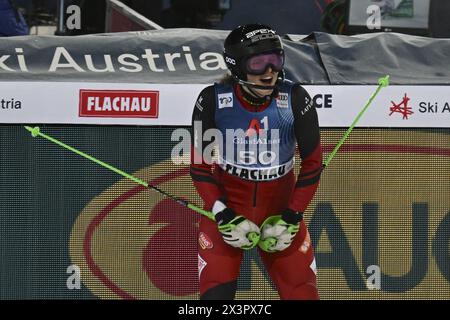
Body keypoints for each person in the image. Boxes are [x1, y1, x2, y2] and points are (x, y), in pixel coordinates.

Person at [190, 23, 322, 300]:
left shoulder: (295, 98)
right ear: (237, 67)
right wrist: (222, 213)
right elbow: (200, 167)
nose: (269, 72)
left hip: (282, 213)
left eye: (275, 60)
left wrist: (293, 215)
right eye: (258, 63)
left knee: (303, 295)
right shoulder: (212, 100)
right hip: (228, 212)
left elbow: (312, 164)